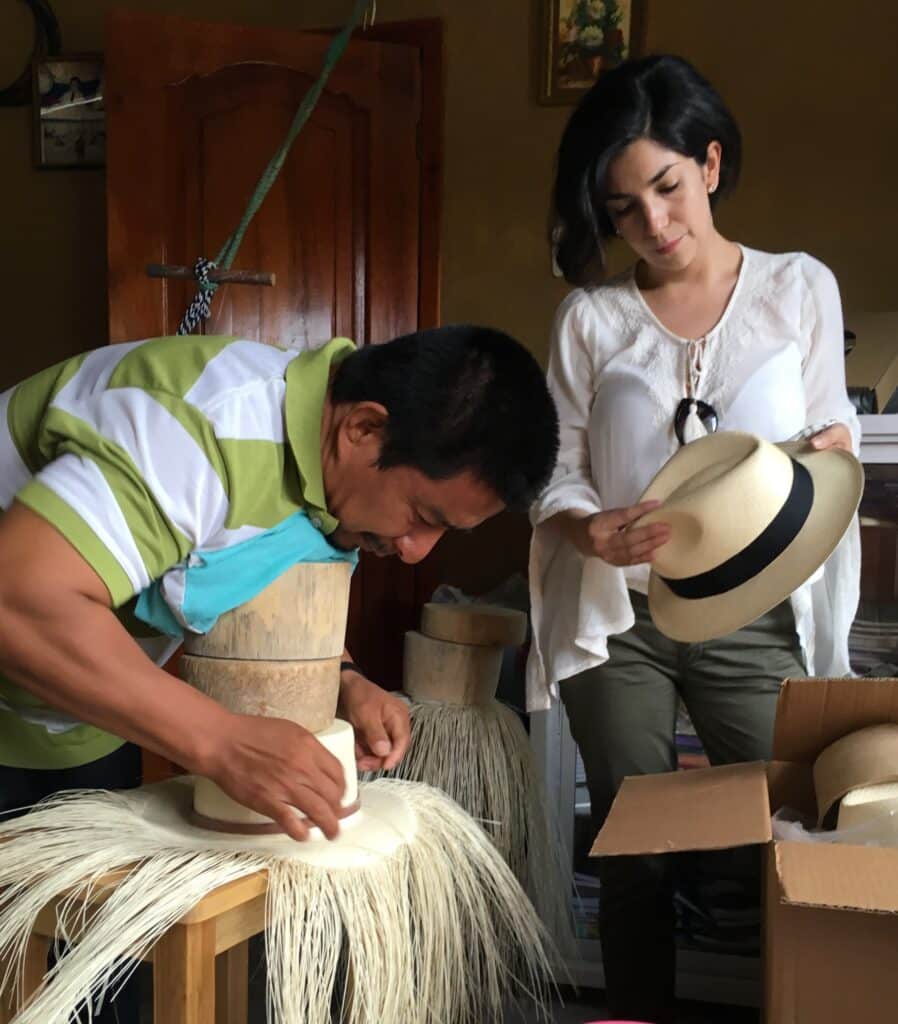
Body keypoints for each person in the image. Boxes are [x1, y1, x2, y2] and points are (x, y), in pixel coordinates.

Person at [526, 54, 859, 1023]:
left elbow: (832, 430)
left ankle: (801, 1002)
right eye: (623, 207)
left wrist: (829, 445)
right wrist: (585, 524)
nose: (654, 224)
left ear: (708, 165)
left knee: (790, 833)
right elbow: (554, 467)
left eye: (666, 186)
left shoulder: (796, 288)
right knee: (631, 846)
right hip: (620, 618)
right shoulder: (588, 319)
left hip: (754, 611)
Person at [0, 325, 559, 838]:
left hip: (76, 718)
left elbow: (245, 563)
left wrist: (345, 677)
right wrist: (218, 739)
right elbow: (19, 598)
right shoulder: (199, 431)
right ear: (364, 428)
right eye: (422, 515)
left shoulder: (327, 466)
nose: (414, 552)